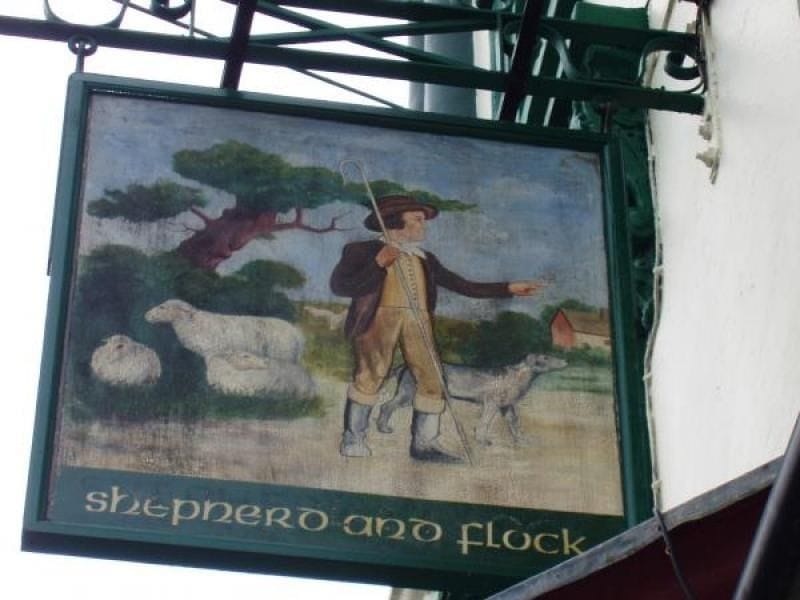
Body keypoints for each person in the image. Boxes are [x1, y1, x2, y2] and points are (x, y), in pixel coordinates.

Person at [330, 194, 544, 463]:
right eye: (418, 220)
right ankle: (354, 438)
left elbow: (462, 285)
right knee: (371, 375)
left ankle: (425, 444)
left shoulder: (425, 258)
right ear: (396, 222)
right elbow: (340, 286)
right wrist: (378, 264)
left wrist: (508, 288)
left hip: (419, 321)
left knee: (432, 380)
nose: (424, 226)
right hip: (378, 319)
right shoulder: (361, 251)